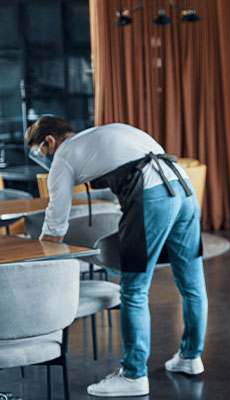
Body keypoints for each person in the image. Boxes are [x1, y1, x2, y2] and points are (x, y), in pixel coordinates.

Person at [25, 117, 208, 397]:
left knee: (133, 290)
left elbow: (55, 226)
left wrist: (34, 259)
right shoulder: (101, 135)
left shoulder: (63, 156)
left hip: (151, 194)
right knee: (192, 286)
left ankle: (133, 375)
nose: (42, 158)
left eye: (39, 151)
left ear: (49, 141)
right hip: (183, 189)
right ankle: (190, 357)